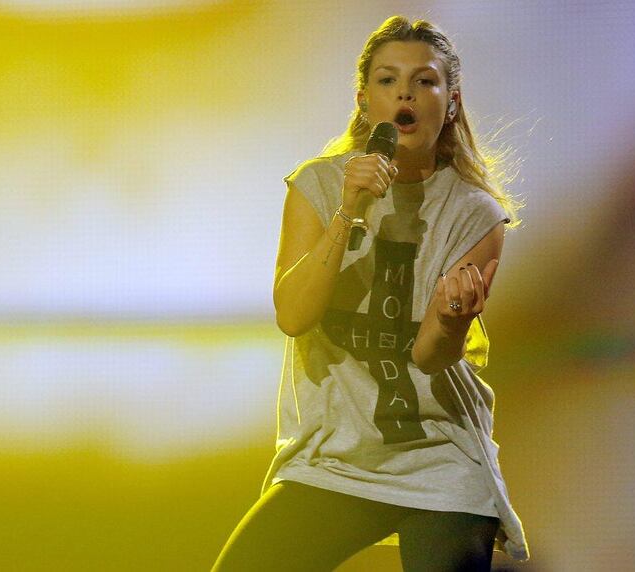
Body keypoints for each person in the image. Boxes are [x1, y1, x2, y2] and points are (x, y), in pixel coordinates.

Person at [212, 15, 529, 572]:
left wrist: (453, 322)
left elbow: (430, 355)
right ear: (365, 101)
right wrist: (348, 212)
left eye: (425, 81)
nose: (405, 91)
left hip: (440, 460)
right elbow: (293, 314)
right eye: (388, 80)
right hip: (334, 459)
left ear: (450, 103)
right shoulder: (318, 186)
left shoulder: (475, 213)